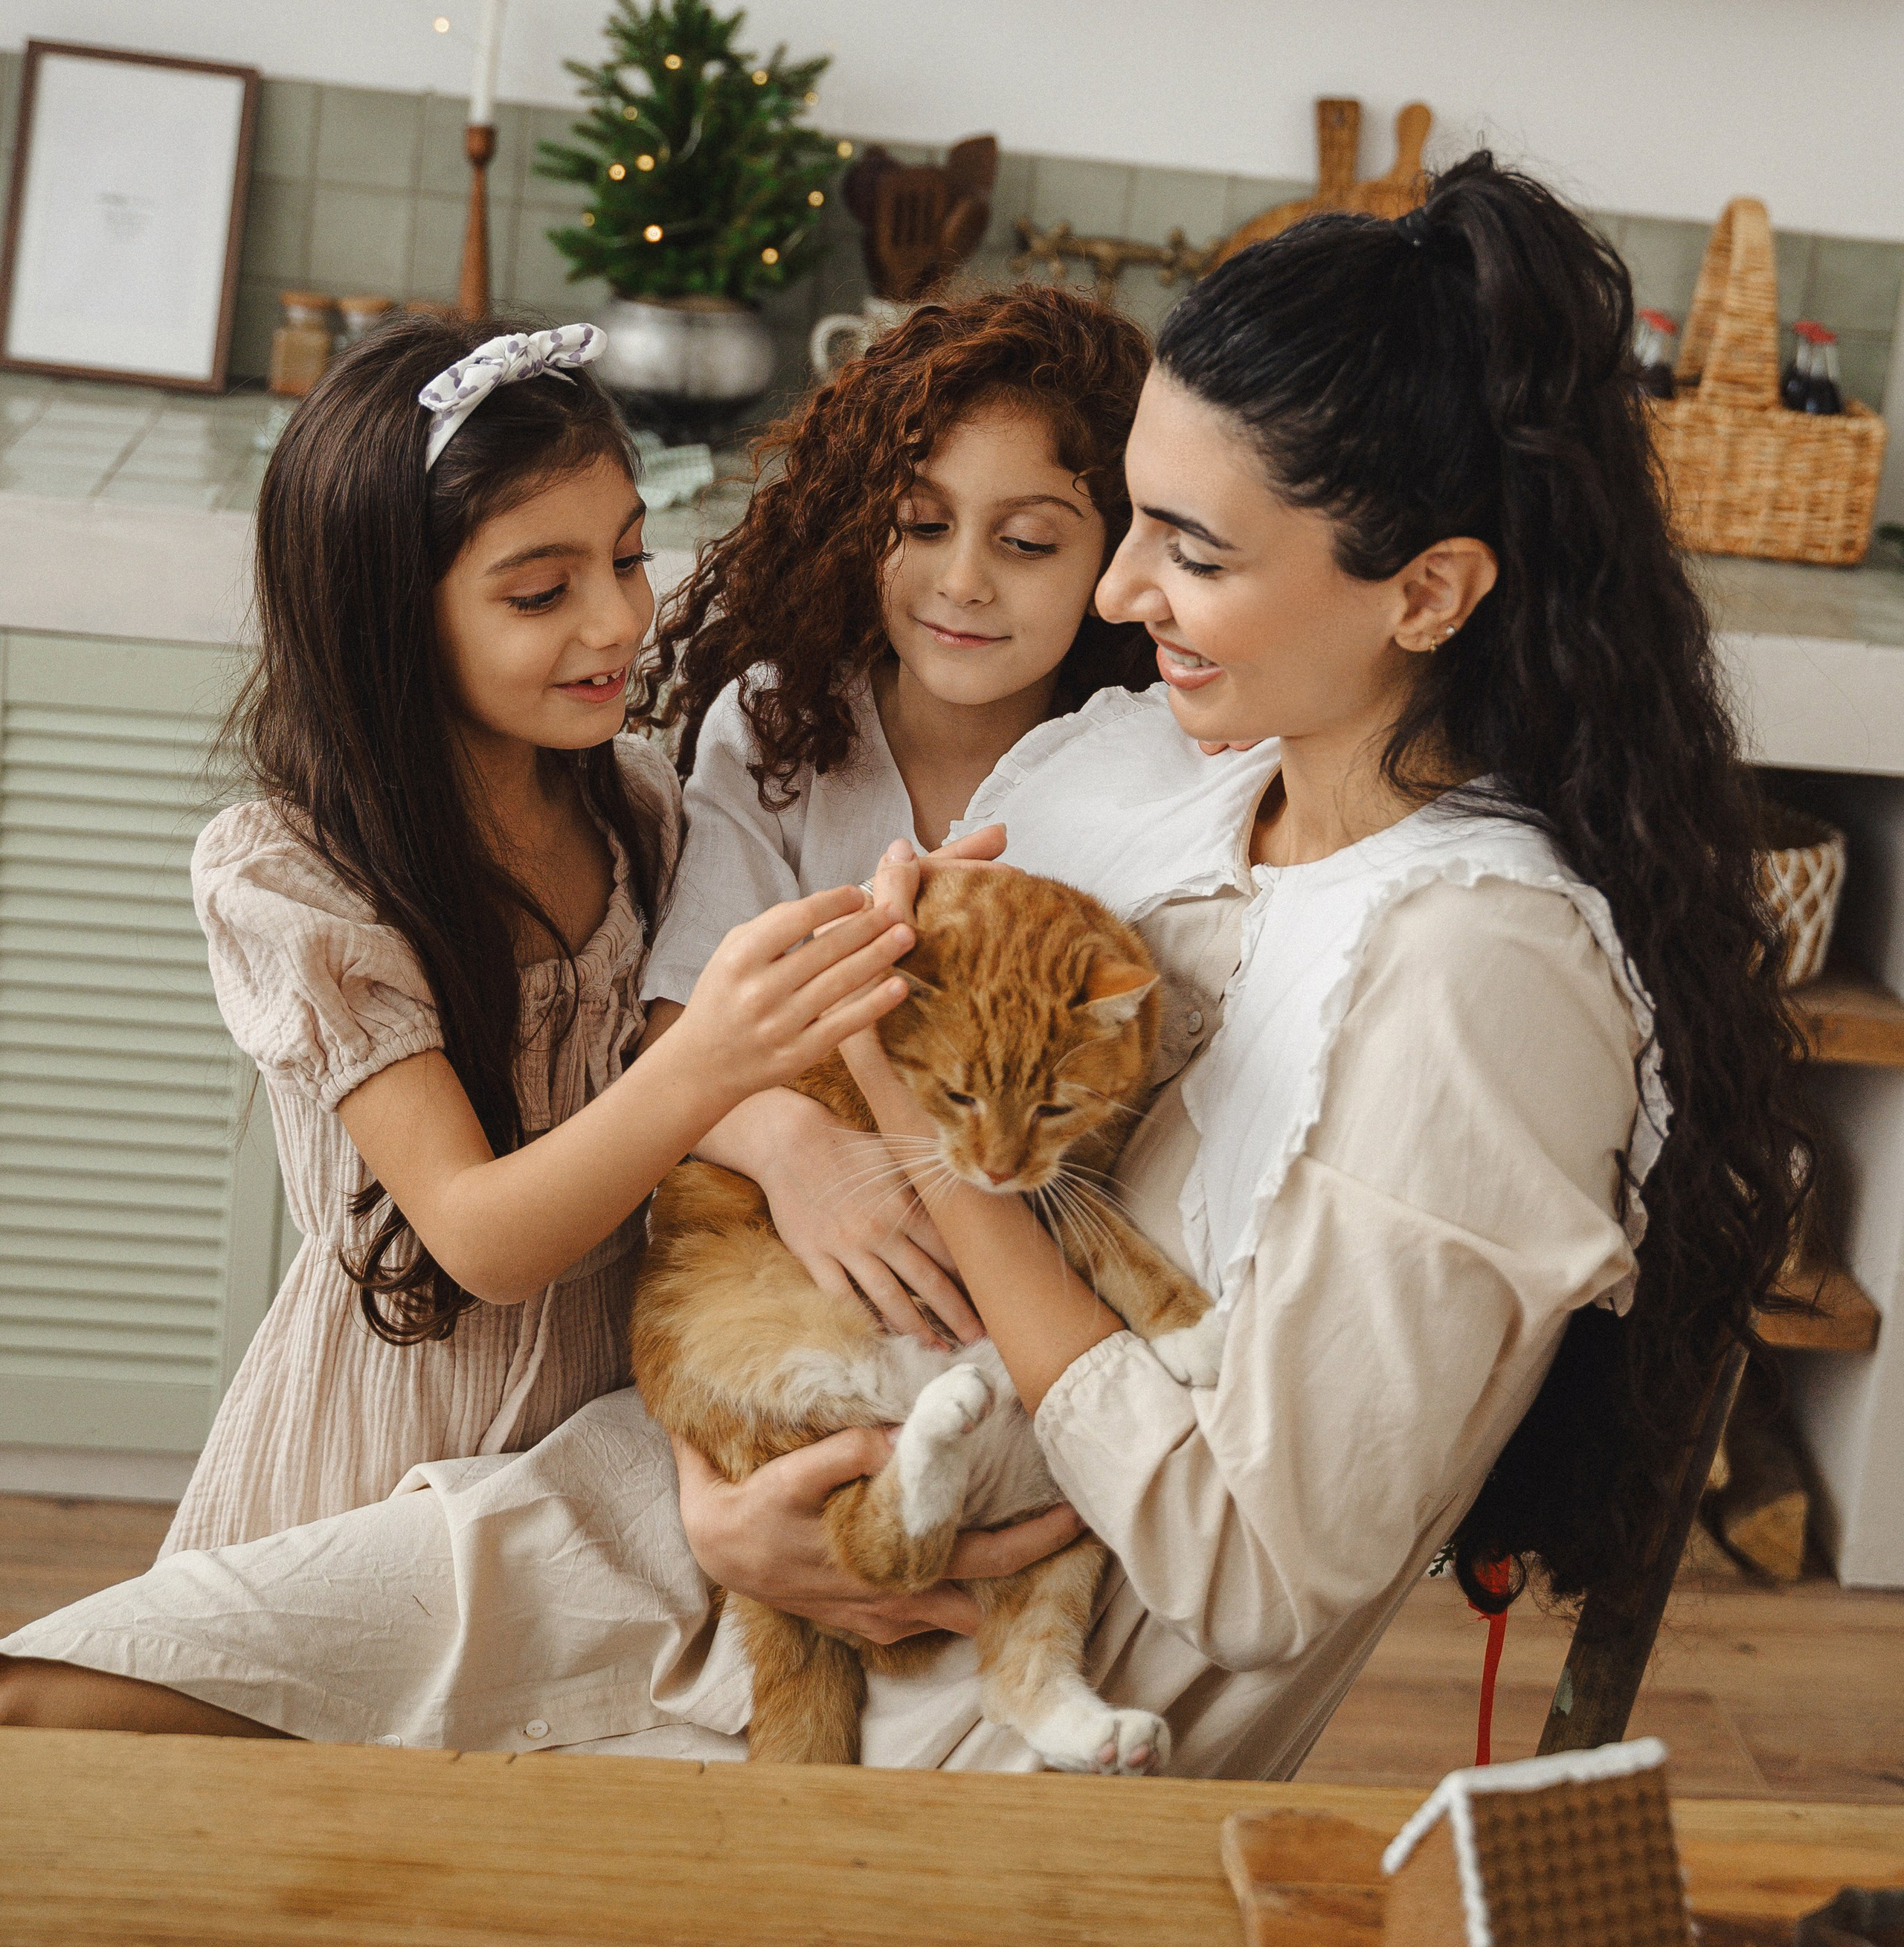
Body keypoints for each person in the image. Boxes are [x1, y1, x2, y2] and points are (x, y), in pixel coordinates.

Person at [1, 162, 1803, 1776]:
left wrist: (910, 1213)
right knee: (54, 1703)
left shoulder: (1478, 981)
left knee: (190, 1793)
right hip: (710, 1466)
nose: (1116, 598)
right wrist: (715, 1477)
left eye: (1183, 548)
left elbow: (1248, 1570)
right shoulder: (1130, 776)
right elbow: (790, 1132)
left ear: (1424, 594)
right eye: (1132, 522)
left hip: (960, 1644)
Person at [119, 315, 922, 1560]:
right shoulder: (293, 879)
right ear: (390, 615)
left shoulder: (641, 808)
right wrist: (707, 1060)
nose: (616, 621)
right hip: (373, 1471)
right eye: (542, 592)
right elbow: (482, 1240)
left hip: (604, 1459)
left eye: (630, 557)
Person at [637, 289, 1155, 1345]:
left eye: (1028, 543)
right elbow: (679, 1028)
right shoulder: (777, 729)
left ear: (1116, 559)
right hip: (788, 1293)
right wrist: (787, 1146)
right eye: (922, 525)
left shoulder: (1142, 765)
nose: (962, 582)